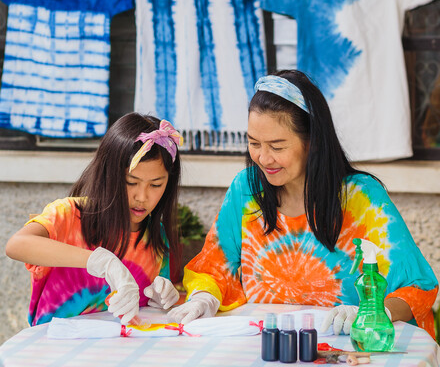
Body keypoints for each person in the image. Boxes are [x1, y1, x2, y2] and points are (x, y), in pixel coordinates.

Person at [167, 70, 439, 340]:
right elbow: (214, 267)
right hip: (261, 349)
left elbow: (417, 286)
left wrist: (371, 311)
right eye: (254, 143)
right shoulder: (247, 188)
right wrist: (203, 298)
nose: (263, 158)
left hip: (348, 350)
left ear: (312, 142)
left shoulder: (362, 198)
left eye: (277, 146)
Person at [6, 112, 183, 326]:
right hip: (55, 351)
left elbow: (142, 310)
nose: (142, 196)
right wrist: (100, 261)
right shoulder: (70, 215)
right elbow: (17, 245)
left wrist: (160, 297)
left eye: (156, 185)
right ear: (108, 175)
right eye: (130, 182)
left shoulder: (156, 236)